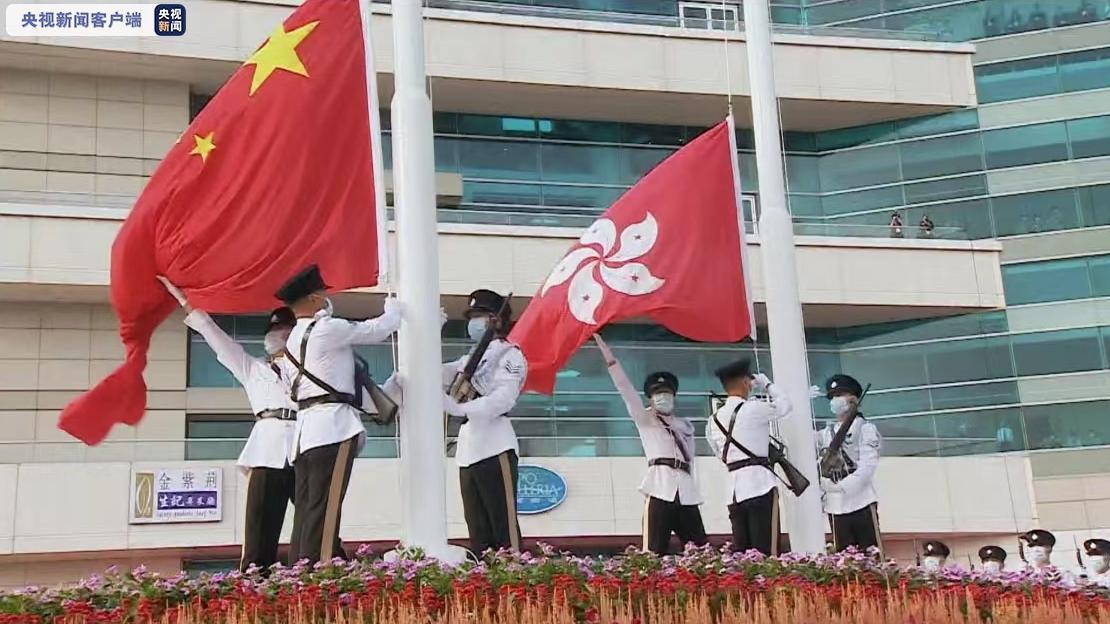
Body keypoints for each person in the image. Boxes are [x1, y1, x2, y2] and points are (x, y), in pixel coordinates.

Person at [158, 278, 298, 573]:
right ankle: (255, 585)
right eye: (276, 330)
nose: (280, 335)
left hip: (304, 446)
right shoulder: (252, 368)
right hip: (267, 450)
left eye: (286, 330)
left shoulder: (311, 367)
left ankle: (334, 578)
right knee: (260, 531)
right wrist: (185, 300)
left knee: (318, 523)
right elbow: (214, 336)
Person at [276, 264, 402, 564]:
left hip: (305, 434)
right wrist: (393, 308)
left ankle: (299, 572)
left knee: (308, 510)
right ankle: (318, 576)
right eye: (321, 294)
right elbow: (378, 330)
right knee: (326, 509)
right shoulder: (327, 329)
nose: (325, 298)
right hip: (333, 428)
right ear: (310, 300)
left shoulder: (292, 340)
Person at [595, 335, 707, 555]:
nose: (662, 397)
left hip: (685, 490)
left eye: (666, 393)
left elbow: (690, 459)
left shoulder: (685, 425)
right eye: (657, 394)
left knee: (701, 551)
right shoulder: (646, 419)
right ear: (650, 398)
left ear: (674, 396)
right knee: (653, 552)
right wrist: (611, 361)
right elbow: (626, 391)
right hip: (659, 488)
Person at [438, 289, 527, 556]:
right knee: (478, 533)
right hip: (469, 450)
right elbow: (438, 370)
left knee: (504, 531)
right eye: (472, 316)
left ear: (496, 320)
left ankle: (514, 589)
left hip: (495, 445)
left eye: (480, 316)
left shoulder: (510, 355)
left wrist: (461, 407)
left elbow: (504, 398)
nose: (474, 323)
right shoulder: (471, 358)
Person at [706, 359, 791, 555]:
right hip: (759, 485)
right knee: (766, 553)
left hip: (734, 490)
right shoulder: (754, 408)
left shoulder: (714, 419)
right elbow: (785, 405)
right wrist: (768, 384)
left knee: (742, 554)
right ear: (746, 382)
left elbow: (719, 453)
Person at [817, 374, 883, 555]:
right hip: (835, 506)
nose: (835, 401)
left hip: (861, 501)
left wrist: (841, 487)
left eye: (840, 395)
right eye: (832, 397)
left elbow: (867, 467)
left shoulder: (865, 428)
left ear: (853, 400)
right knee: (844, 562)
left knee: (871, 558)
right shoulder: (826, 433)